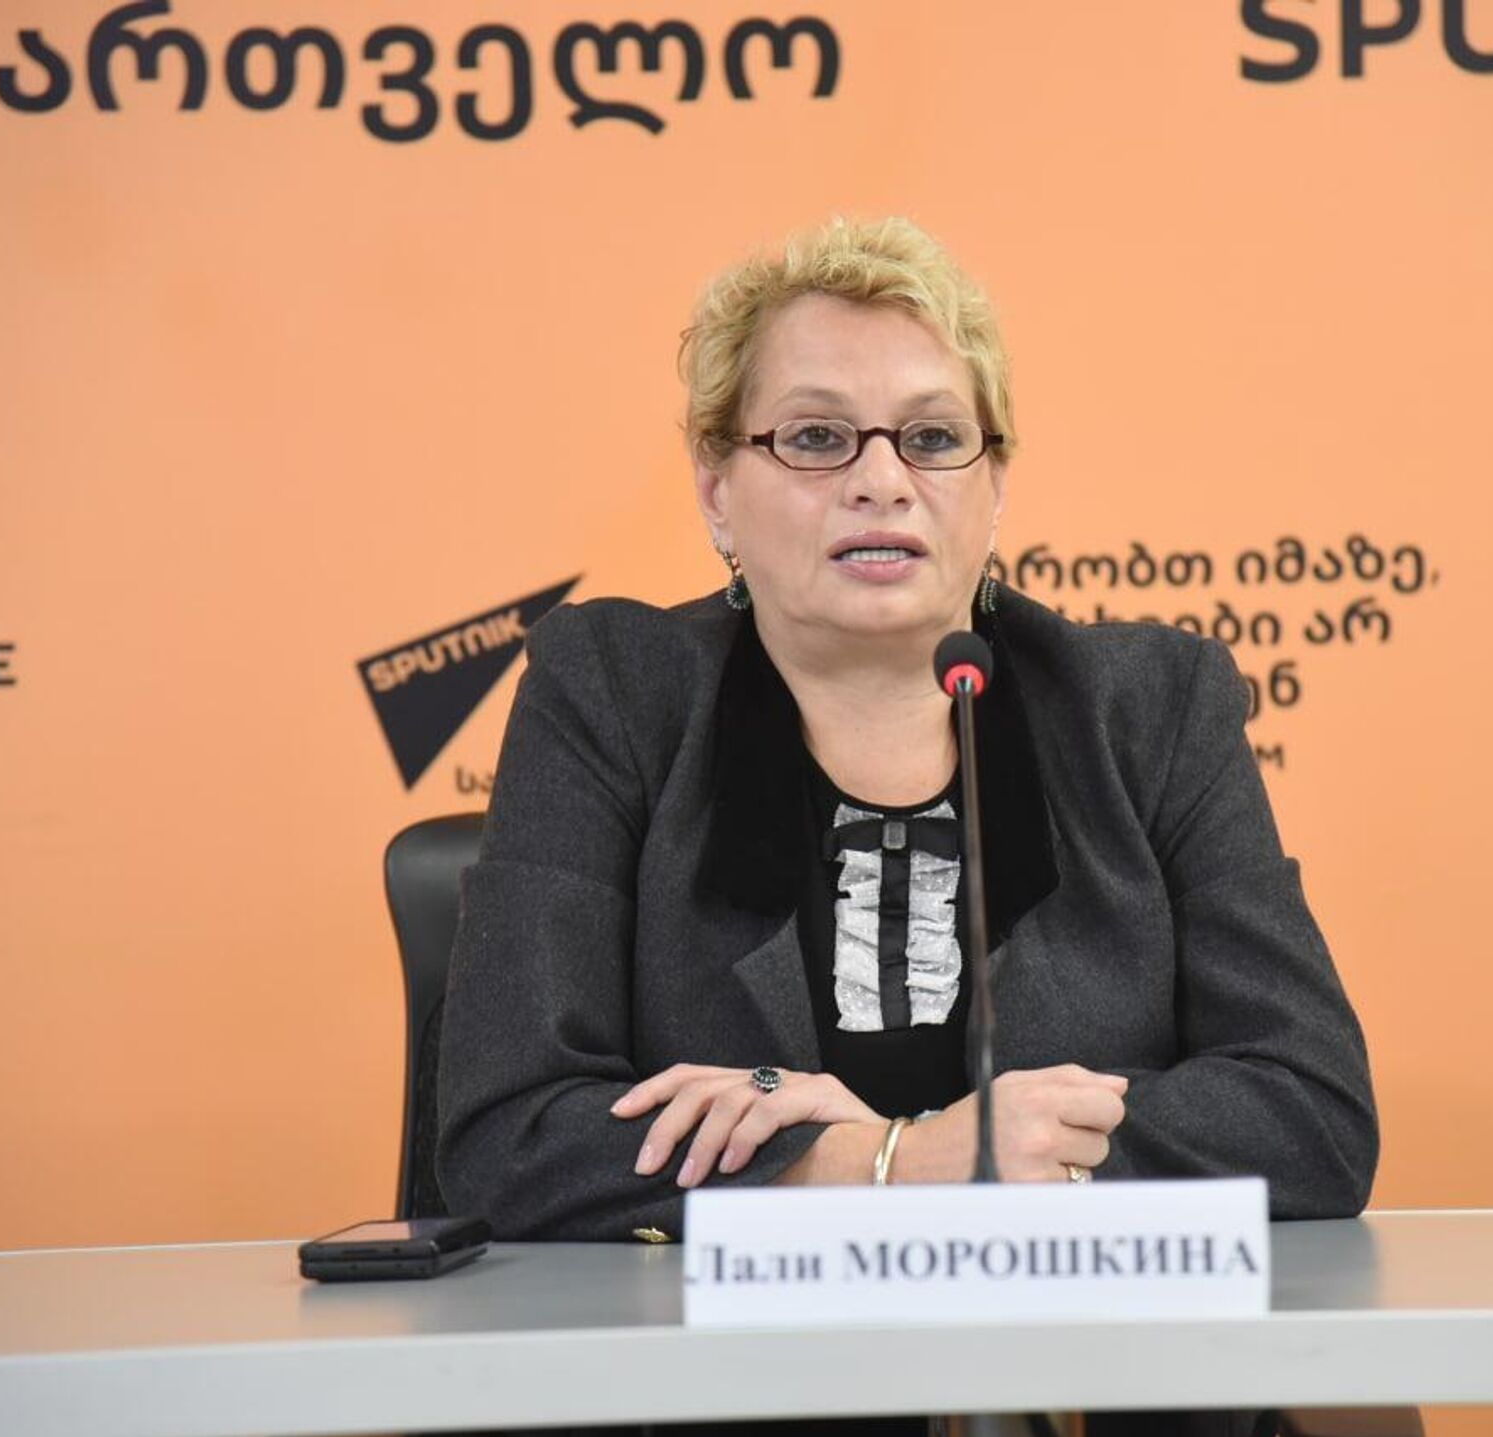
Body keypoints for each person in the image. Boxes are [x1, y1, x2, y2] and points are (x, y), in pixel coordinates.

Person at [436, 212, 1376, 1328]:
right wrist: (879, 1163)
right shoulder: (612, 692)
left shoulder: (1150, 708)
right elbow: (510, 1133)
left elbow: (1311, 1112)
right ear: (717, 487)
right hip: (723, 1385)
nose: (881, 481)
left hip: (1095, 1373)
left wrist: (1005, 1159)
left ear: (996, 486)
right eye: (816, 438)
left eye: (931, 439)